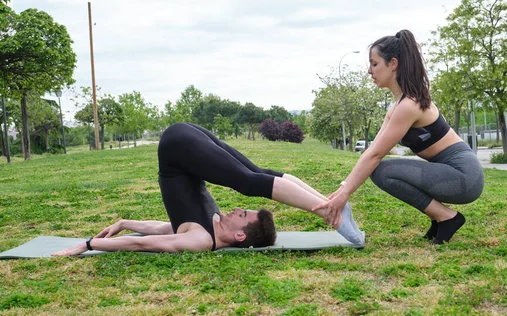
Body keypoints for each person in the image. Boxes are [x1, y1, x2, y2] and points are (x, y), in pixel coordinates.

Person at [53, 123, 363, 256]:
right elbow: (165, 228)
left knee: (247, 181)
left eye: (242, 215)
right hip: (187, 143)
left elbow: (145, 243)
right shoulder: (209, 226)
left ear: (240, 235)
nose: (235, 210)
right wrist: (122, 224)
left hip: (179, 146)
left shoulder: (200, 240)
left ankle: (327, 212)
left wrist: (90, 243)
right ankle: (330, 203)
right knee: (255, 175)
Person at [314, 30, 484, 244]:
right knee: (379, 169)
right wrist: (342, 188)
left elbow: (375, 156)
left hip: (464, 178)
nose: (369, 71)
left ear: (393, 63)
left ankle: (446, 218)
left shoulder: (409, 106)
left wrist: (344, 195)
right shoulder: (397, 107)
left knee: (382, 171)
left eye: (374, 64)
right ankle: (440, 218)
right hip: (453, 174)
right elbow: (371, 151)